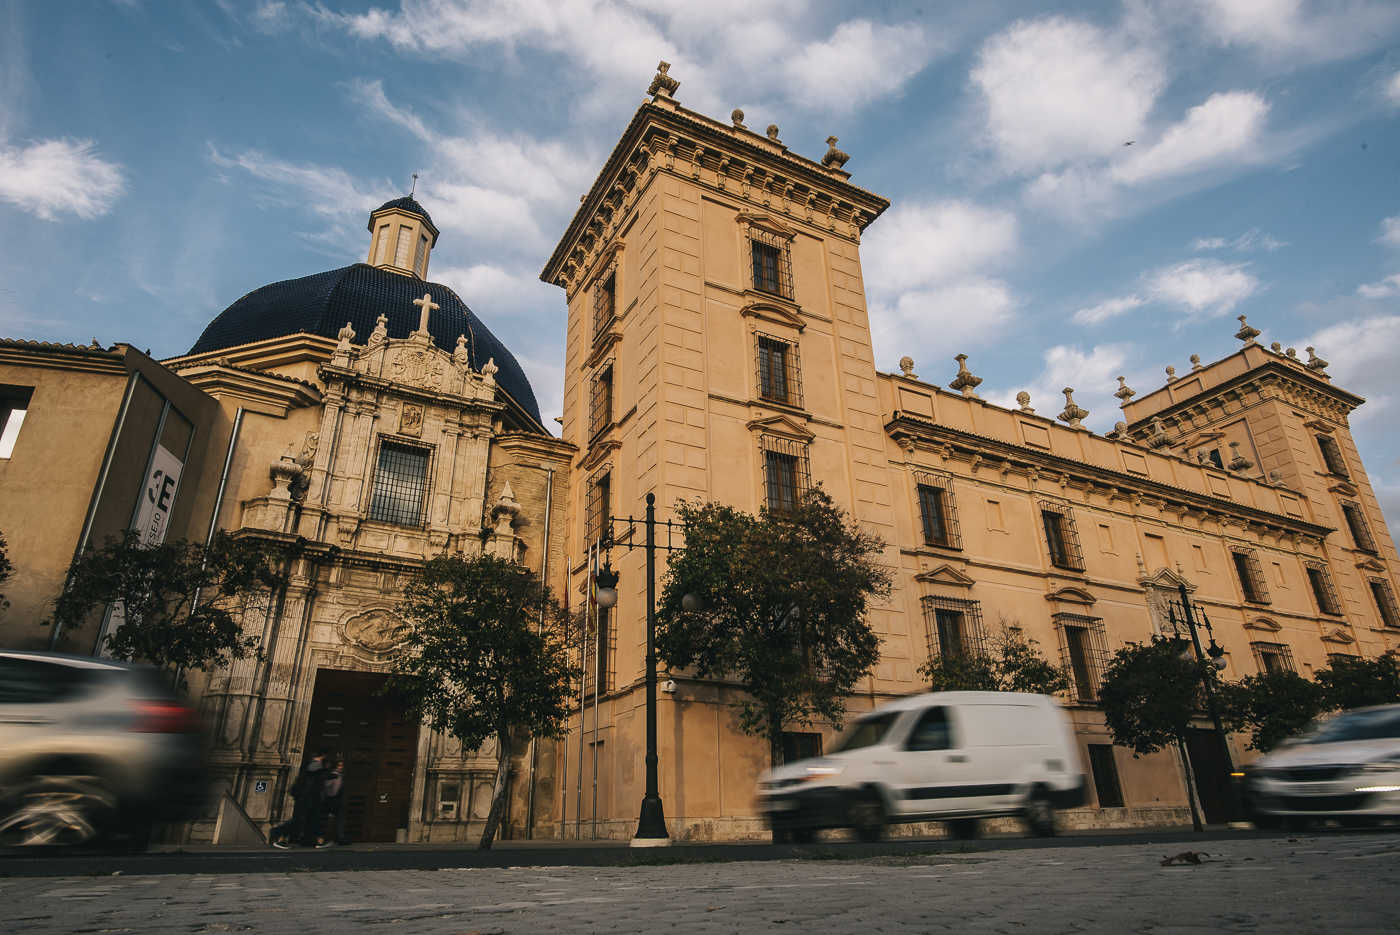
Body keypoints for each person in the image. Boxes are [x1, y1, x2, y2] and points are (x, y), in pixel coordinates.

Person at [270, 750, 326, 848]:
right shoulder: (315, 766)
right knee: (299, 821)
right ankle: (278, 833)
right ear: (319, 757)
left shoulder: (309, 767)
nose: (322, 760)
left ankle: (314, 841)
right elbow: (313, 786)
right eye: (322, 757)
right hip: (307, 799)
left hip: (306, 799)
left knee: (310, 820)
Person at [319, 755, 345, 848]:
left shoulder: (333, 775)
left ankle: (337, 838)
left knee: (334, 820)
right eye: (339, 765)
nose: (341, 767)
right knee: (326, 821)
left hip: (330, 801)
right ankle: (322, 840)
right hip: (332, 801)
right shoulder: (335, 775)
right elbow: (333, 791)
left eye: (342, 765)